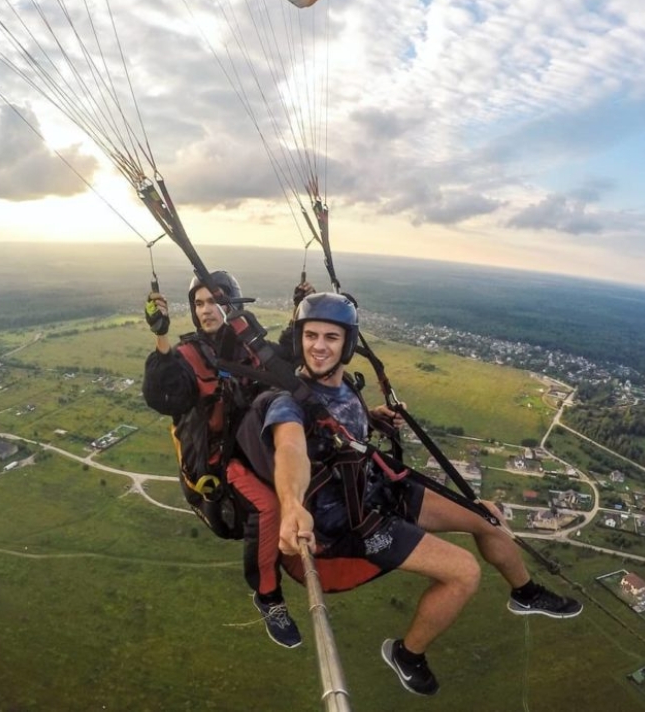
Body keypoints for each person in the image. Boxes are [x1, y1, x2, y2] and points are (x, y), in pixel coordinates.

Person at [237, 292, 582, 696]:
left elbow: (336, 426)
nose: (318, 346)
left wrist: (372, 417)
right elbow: (291, 449)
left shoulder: (343, 386)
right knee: (464, 572)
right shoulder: (288, 404)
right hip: (351, 522)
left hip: (378, 489)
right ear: (299, 340)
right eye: (310, 335)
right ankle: (408, 654)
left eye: (331, 337)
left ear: (347, 344)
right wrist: (293, 504)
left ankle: (525, 593)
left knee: (487, 514)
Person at [142, 270, 312, 649]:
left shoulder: (248, 345)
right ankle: (268, 596)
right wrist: (161, 336)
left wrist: (299, 311)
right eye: (199, 303)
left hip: (256, 447)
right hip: (221, 463)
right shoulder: (187, 358)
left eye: (215, 301)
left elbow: (284, 363)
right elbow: (163, 395)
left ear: (231, 303)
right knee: (269, 506)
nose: (206, 310)